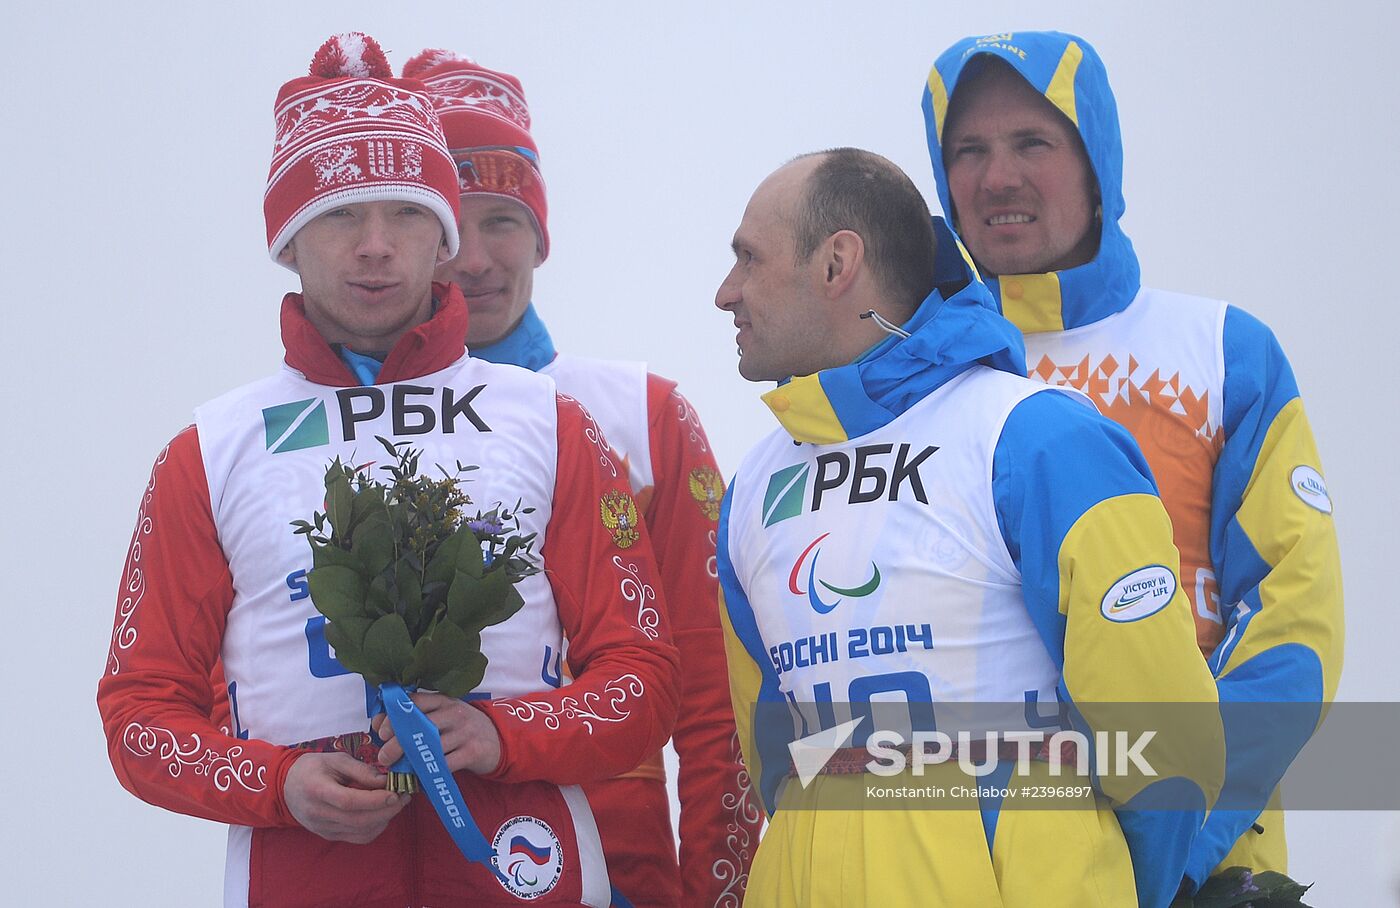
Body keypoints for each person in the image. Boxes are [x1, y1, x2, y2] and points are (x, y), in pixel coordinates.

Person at [97, 34, 680, 908]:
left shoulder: (549, 422)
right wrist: (277, 785)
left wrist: (498, 734)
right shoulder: (210, 451)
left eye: (407, 213)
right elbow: (139, 714)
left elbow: (645, 678)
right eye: (339, 213)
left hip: (526, 873)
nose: (376, 246)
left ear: (444, 237)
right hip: (303, 876)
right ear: (289, 241)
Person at [713, 148, 1223, 908]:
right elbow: (774, 756)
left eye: (748, 259)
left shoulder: (1037, 437)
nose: (727, 294)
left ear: (836, 263)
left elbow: (1164, 742)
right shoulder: (752, 485)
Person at [923, 30, 1344, 893]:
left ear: (1097, 162)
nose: (997, 177)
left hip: (1206, 867)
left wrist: (1173, 845)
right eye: (968, 150)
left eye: (1032, 142)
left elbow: (1293, 626)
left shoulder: (1225, 352)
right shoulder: (918, 381)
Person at [402, 49, 760, 908]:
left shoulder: (641, 411)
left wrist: (719, 888)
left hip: (615, 873)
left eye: (504, 221)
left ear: (541, 235)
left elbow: (717, 702)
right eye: (452, 225)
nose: (478, 259)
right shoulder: (335, 428)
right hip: (401, 864)